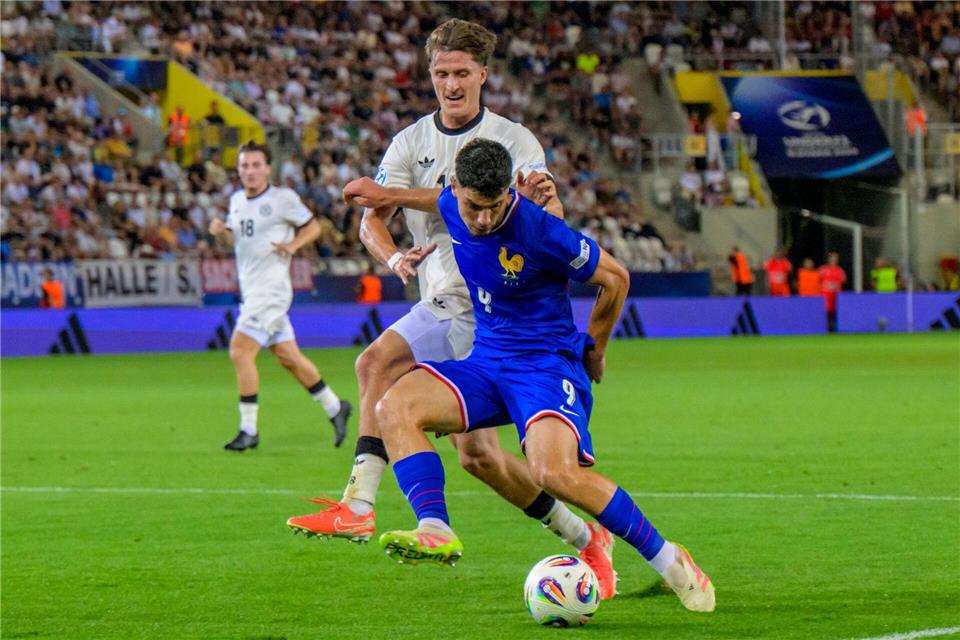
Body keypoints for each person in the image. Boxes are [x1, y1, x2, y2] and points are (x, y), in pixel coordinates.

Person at [285, 18, 617, 599]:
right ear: (430, 74)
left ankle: (360, 505)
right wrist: (392, 258)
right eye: (442, 73)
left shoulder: (514, 141)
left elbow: (549, 217)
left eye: (463, 72)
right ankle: (584, 536)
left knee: (377, 365)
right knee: (478, 458)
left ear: (483, 75)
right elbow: (371, 221)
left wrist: (550, 203)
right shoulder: (411, 143)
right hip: (443, 298)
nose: (452, 84)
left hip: (489, 306)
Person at [342, 139, 715, 613]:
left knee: (552, 472)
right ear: (455, 187)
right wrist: (383, 194)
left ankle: (670, 560)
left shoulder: (538, 230)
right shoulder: (451, 203)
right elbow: (431, 199)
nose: (481, 218)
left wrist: (595, 351)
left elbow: (616, 277)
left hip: (543, 364)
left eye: (494, 206)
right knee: (393, 405)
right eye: (473, 206)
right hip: (488, 360)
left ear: (507, 194)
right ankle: (435, 528)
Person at [208, 141, 351, 452]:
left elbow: (314, 227)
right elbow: (236, 242)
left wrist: (293, 246)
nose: (250, 171)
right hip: (252, 290)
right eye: (244, 165)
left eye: (256, 165)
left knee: (240, 351)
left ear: (267, 168)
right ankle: (335, 407)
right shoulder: (236, 201)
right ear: (239, 169)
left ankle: (249, 430)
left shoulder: (282, 199)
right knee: (289, 357)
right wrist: (221, 232)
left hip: (270, 291)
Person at [818, 252, 847, 332]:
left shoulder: (840, 271)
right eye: (832, 257)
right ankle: (825, 326)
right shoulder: (822, 269)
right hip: (825, 295)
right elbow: (817, 281)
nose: (834, 259)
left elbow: (842, 283)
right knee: (825, 310)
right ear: (828, 259)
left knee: (835, 311)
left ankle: (834, 326)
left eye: (835, 258)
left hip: (836, 295)